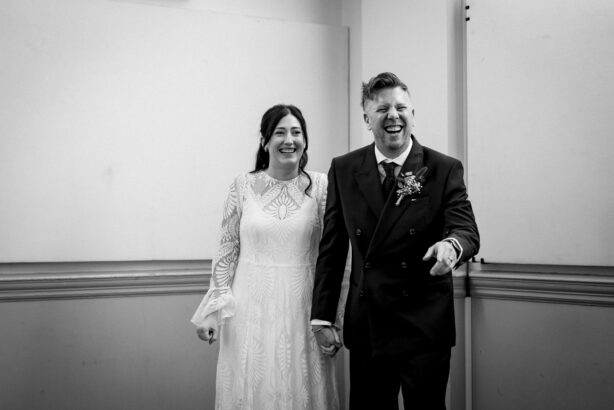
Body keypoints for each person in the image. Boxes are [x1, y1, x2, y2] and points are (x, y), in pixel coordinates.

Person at [310, 72, 480, 410]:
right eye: (382, 109)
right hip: (369, 323)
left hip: (424, 323)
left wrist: (451, 246)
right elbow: (332, 248)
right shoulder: (344, 169)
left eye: (401, 108)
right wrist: (322, 317)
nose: (393, 116)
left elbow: (466, 230)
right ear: (367, 118)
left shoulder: (443, 168)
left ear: (412, 114)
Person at [191, 104, 340, 410]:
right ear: (264, 140)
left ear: (305, 140)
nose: (289, 140)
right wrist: (213, 311)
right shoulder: (242, 186)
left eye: (296, 132)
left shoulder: (322, 186)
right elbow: (227, 250)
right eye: (280, 132)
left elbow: (334, 255)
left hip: (303, 309)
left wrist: (331, 318)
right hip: (249, 311)